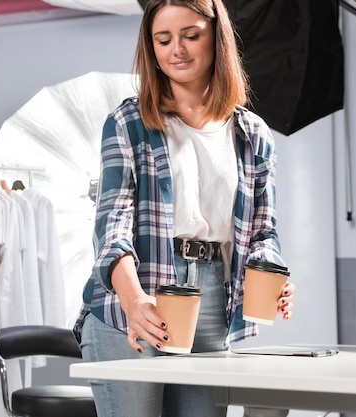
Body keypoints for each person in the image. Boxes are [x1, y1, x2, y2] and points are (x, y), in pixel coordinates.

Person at [73, 1, 296, 416]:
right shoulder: (129, 122)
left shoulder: (252, 135)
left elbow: (263, 232)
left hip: (214, 297)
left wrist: (274, 275)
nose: (177, 49)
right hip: (135, 298)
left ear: (217, 37)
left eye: (191, 35)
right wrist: (135, 301)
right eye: (163, 39)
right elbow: (112, 226)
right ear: (151, 48)